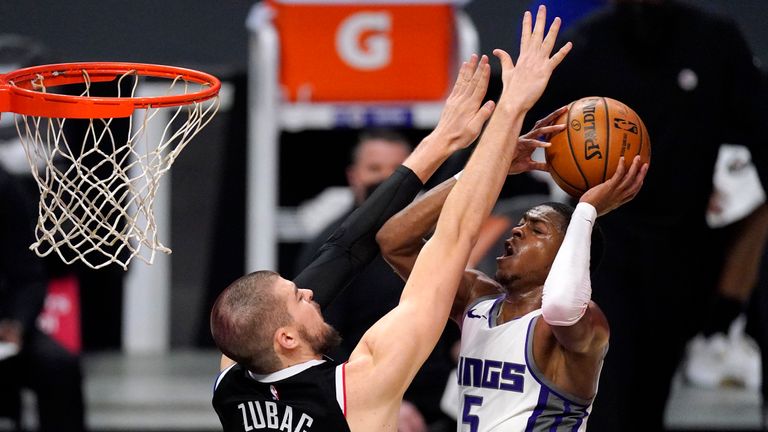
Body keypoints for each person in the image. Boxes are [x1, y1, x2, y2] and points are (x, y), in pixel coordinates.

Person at [209, 6, 572, 431]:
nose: (311, 292)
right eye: (298, 298)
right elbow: (450, 239)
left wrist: (441, 143)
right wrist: (510, 109)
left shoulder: (232, 381)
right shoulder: (359, 384)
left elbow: (342, 250)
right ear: (286, 339)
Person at [525, 1, 768, 430]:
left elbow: (761, 131)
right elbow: (531, 131)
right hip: (603, 256)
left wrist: (735, 281)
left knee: (651, 399)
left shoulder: (715, 40)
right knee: (607, 399)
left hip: (683, 253)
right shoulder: (587, 44)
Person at [377, 108, 648, 430]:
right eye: (521, 225)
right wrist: (491, 169)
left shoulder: (583, 323)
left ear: (567, 254)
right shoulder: (477, 300)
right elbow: (395, 240)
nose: (517, 231)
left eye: (537, 230)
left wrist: (586, 211)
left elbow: (561, 305)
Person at [293, 129, 459, 432]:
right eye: (374, 169)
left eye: (398, 170)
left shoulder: (438, 239)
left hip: (443, 406)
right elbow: (316, 346)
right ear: (353, 175)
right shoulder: (327, 252)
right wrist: (380, 405)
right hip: (365, 408)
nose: (387, 180)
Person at [0, 165, 86, 432]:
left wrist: (17, 324)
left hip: (4, 326)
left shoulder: (5, 187)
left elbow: (29, 276)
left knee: (59, 364)